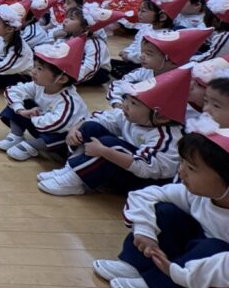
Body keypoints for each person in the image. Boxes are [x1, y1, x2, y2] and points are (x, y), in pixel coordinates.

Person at [98, 130, 229, 288]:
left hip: (215, 280)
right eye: (182, 162)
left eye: (191, 168)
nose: (181, 171)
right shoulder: (199, 194)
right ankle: (137, 265)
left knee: (213, 248)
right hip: (187, 264)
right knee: (165, 212)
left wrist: (177, 273)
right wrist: (145, 232)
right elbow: (143, 196)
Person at [38, 68, 187, 196]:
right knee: (90, 127)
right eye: (126, 99)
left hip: (143, 183)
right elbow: (100, 118)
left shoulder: (165, 138)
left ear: (160, 116)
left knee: (110, 144)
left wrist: (105, 152)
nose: (125, 105)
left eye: (133, 103)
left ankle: (76, 179)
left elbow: (146, 169)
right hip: (127, 167)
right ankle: (72, 169)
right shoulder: (132, 117)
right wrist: (75, 129)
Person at [0, 37, 90, 162]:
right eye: (34, 66)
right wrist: (21, 110)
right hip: (40, 124)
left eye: (39, 69)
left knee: (61, 137)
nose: (33, 71)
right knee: (18, 101)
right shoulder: (39, 85)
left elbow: (58, 124)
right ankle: (16, 134)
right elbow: (12, 91)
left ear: (61, 79)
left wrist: (33, 116)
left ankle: (33, 145)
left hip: (58, 133)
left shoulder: (69, 101)